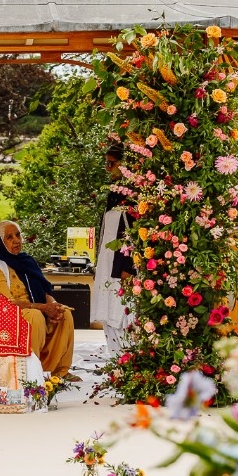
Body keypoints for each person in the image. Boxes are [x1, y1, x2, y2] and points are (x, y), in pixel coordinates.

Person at [0, 220, 78, 381]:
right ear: (0, 242)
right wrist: (43, 308)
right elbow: (6, 304)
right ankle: (30, 374)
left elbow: (45, 290)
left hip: (35, 309)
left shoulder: (27, 261)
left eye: (17, 235)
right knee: (35, 316)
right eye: (9, 237)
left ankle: (59, 372)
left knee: (64, 313)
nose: (16, 240)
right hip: (8, 317)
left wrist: (52, 305)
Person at [90, 144, 135, 357]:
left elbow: (133, 232)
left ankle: (128, 358)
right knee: (110, 311)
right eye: (106, 163)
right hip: (109, 265)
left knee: (124, 312)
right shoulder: (115, 192)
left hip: (123, 267)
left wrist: (129, 266)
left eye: (112, 163)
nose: (108, 168)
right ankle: (117, 358)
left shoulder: (134, 193)